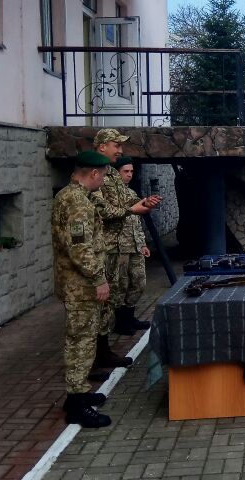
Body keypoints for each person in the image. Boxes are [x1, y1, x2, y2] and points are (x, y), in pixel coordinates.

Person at [50, 150, 114, 428]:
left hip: (77, 283)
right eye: (103, 175)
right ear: (94, 174)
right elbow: (80, 248)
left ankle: (78, 394)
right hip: (81, 286)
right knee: (81, 342)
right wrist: (99, 279)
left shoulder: (70, 196)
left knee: (83, 339)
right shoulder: (76, 202)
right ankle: (76, 404)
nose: (103, 181)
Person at [91, 129, 160, 373]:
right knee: (103, 304)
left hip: (120, 247)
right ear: (101, 147)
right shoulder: (96, 175)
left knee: (116, 298)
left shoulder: (110, 173)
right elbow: (106, 211)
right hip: (106, 249)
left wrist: (145, 203)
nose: (120, 150)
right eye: (115, 145)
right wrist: (133, 209)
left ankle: (104, 351)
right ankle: (96, 357)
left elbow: (129, 201)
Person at [110, 156, 152, 335]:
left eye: (131, 172)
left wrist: (142, 243)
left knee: (139, 282)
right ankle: (121, 322)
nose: (129, 175)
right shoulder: (110, 193)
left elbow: (136, 221)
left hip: (134, 246)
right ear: (117, 172)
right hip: (118, 247)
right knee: (120, 285)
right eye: (125, 171)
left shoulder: (131, 194)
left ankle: (130, 316)